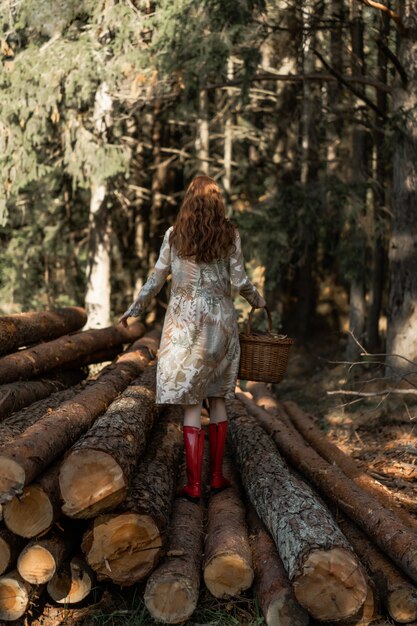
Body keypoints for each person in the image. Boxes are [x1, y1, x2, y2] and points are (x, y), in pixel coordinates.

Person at [119, 175, 265, 501]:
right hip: (221, 324)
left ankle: (194, 484)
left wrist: (135, 309)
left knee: (190, 402)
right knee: (218, 398)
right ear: (217, 202)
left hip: (184, 325)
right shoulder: (230, 234)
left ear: (188, 201)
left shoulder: (175, 236)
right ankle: (216, 476)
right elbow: (240, 281)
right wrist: (258, 300)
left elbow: (156, 278)